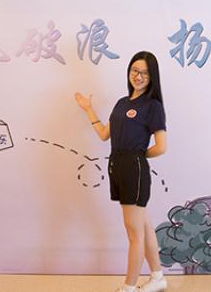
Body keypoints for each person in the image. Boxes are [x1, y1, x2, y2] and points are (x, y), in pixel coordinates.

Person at [75, 51, 168, 292]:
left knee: (134, 233)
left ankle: (129, 287)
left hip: (132, 169)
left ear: (152, 77)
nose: (139, 76)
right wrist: (88, 109)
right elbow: (104, 134)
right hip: (118, 166)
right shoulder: (122, 103)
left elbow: (161, 147)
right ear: (129, 71)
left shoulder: (152, 106)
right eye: (135, 70)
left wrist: (137, 157)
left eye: (145, 73)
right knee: (143, 226)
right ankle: (158, 277)